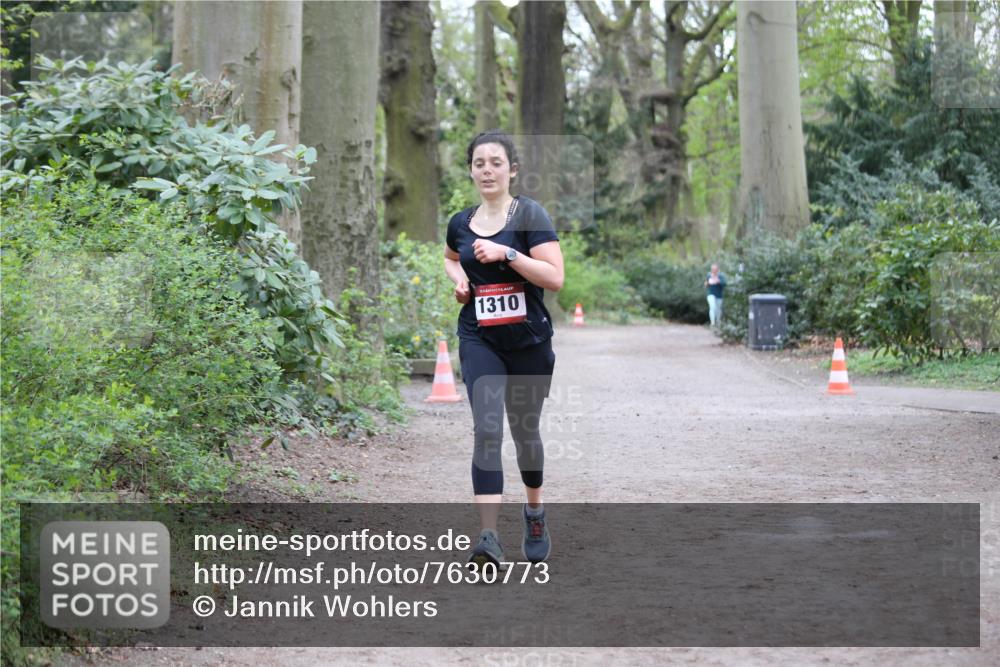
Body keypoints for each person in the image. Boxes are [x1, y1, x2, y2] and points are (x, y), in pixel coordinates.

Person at [443, 130, 564, 569]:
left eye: (496, 162)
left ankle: (534, 512)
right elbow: (452, 257)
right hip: (480, 337)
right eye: (479, 163)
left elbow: (553, 277)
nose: (487, 170)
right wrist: (458, 281)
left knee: (524, 433)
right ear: (471, 170)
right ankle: (489, 536)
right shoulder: (460, 222)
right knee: (488, 430)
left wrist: (506, 253)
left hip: (529, 340)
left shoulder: (530, 214)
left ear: (512, 169)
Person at [704, 263, 727, 327]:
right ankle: (712, 323)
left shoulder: (721, 276)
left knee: (718, 309)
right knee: (712, 307)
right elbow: (705, 284)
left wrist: (718, 281)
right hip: (710, 294)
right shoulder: (709, 275)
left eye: (715, 269)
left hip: (719, 295)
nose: (713, 270)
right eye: (712, 269)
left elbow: (725, 284)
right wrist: (708, 283)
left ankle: (718, 322)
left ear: (717, 269)